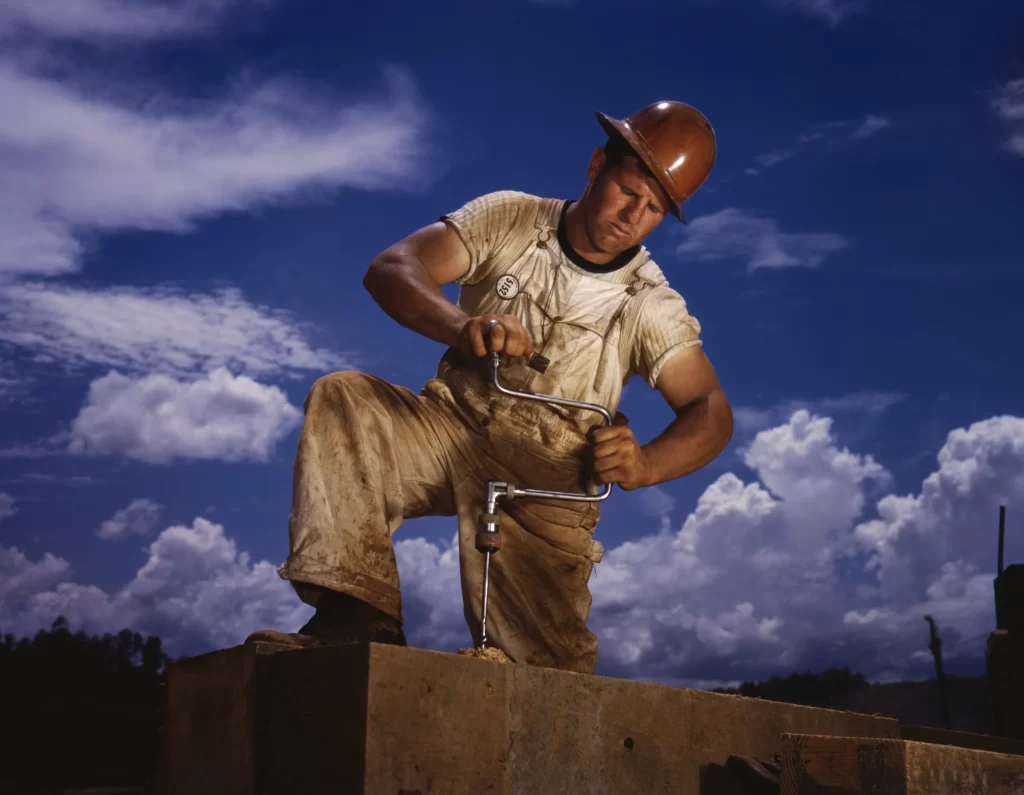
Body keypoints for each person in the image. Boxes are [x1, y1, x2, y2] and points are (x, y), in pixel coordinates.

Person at [247, 100, 734, 675]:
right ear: (597, 163)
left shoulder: (648, 302)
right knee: (345, 397)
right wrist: (462, 325)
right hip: (450, 427)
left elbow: (710, 411)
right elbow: (393, 267)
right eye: (629, 191)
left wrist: (646, 464)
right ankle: (357, 613)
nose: (633, 216)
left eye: (654, 209)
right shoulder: (512, 219)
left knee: (548, 686)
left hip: (547, 484)